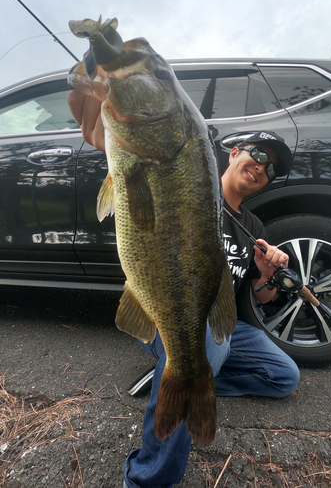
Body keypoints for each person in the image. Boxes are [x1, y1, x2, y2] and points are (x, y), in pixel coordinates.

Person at [68, 91, 300, 488]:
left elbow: (259, 299)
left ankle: (177, 381)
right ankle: (149, 478)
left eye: (271, 170)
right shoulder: (180, 181)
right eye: (259, 155)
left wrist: (262, 275)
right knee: (202, 349)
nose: (262, 169)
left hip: (219, 325)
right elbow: (95, 123)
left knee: (284, 376)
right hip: (168, 316)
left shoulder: (255, 230)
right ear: (232, 154)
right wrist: (93, 93)